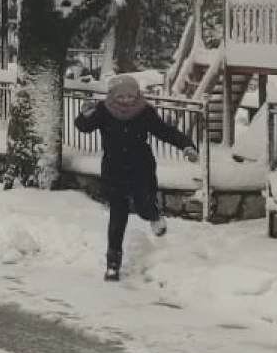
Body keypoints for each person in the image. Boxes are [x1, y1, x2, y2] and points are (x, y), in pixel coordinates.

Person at [74, 73, 198, 281]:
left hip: (141, 168)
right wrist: (83, 116)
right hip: (114, 170)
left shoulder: (145, 112)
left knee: (143, 206)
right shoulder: (103, 111)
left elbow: (165, 131)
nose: (126, 101)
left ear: (137, 95)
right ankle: (113, 264)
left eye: (130, 97)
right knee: (117, 216)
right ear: (113, 96)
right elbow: (83, 128)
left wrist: (186, 145)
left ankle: (154, 214)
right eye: (121, 97)